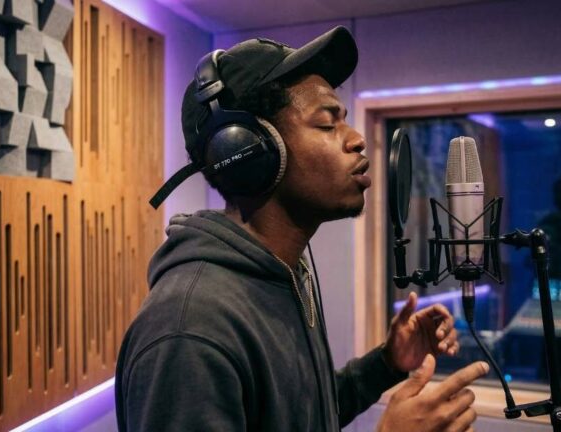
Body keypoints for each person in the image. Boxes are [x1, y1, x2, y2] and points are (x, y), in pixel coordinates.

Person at [115, 26, 489, 431]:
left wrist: (384, 365)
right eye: (328, 124)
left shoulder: (287, 275)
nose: (357, 140)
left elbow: (296, 417)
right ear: (247, 151)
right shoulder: (189, 329)